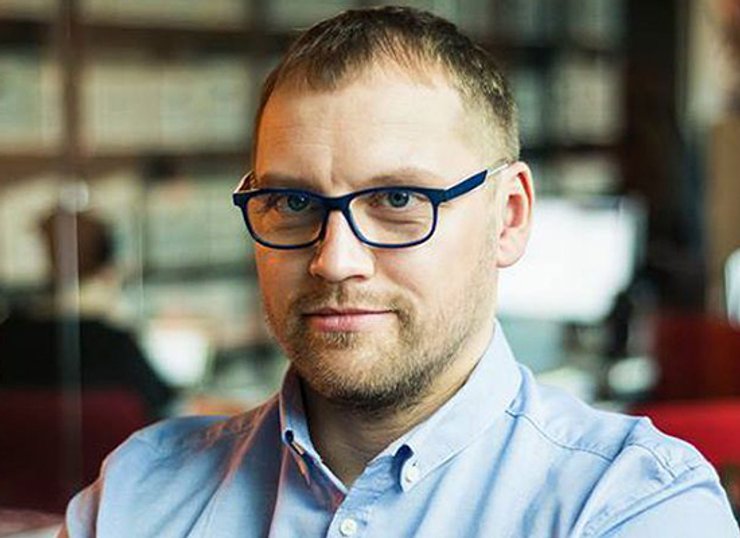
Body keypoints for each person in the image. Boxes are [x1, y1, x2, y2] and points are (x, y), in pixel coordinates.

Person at [60, 7, 739, 537]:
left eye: (398, 200)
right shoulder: (136, 496)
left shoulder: (630, 508)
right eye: (293, 203)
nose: (335, 260)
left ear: (508, 217)